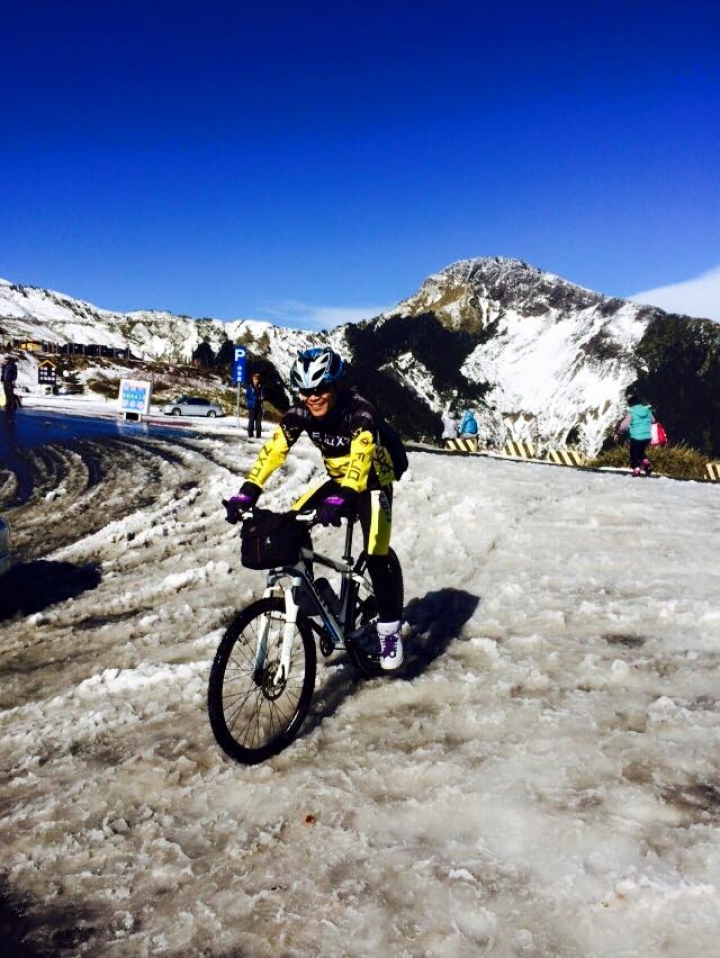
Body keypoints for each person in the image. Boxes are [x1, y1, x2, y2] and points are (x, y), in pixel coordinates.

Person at [225, 347, 405, 670]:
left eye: (320, 389)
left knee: (377, 550)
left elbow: (361, 463)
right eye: (306, 391)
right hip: (339, 480)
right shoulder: (301, 414)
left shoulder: (360, 412)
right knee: (292, 523)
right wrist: (247, 490)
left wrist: (344, 498)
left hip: (373, 481)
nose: (313, 397)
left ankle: (389, 632)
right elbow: (274, 451)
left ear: (335, 385)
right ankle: (313, 594)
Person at [615, 394, 656, 476]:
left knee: (634, 453)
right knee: (641, 452)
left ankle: (636, 469)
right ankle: (646, 464)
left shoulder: (632, 413)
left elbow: (624, 425)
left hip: (636, 437)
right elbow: (653, 420)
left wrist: (618, 432)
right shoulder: (647, 411)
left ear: (631, 404)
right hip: (647, 437)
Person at [245, 371, 265, 439]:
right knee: (251, 421)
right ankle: (250, 435)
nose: (255, 381)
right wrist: (256, 397)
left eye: (256, 379)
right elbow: (248, 396)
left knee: (258, 422)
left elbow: (263, 394)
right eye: (254, 379)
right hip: (252, 406)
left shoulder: (261, 387)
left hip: (259, 406)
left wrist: (262, 397)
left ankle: (258, 436)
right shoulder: (250, 387)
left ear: (258, 380)